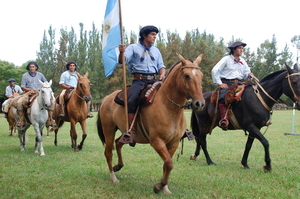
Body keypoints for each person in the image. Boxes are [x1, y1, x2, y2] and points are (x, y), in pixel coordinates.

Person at [118, 25, 166, 145]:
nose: (155, 37)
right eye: (153, 34)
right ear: (144, 35)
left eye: (156, 34)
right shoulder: (133, 48)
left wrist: (162, 74)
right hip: (139, 80)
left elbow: (161, 66)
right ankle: (131, 130)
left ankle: (177, 128)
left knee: (170, 96)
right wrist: (121, 53)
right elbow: (122, 61)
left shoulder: (156, 50)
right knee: (132, 100)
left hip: (155, 79)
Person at [211, 41, 253, 129]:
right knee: (223, 96)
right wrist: (220, 83)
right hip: (228, 83)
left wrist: (249, 75)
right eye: (240, 48)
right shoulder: (226, 59)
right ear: (234, 50)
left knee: (251, 94)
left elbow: (246, 73)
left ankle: (254, 118)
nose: (241, 50)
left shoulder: (243, 61)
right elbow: (215, 70)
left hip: (239, 83)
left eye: (242, 48)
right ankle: (224, 119)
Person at [11, 61, 56, 129]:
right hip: (28, 93)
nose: (31, 68)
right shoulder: (25, 75)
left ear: (36, 67)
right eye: (30, 67)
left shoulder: (40, 75)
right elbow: (23, 87)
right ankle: (21, 120)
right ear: (28, 68)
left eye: (33, 67)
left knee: (52, 102)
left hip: (39, 93)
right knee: (19, 102)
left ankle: (50, 120)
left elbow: (46, 83)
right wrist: (31, 90)